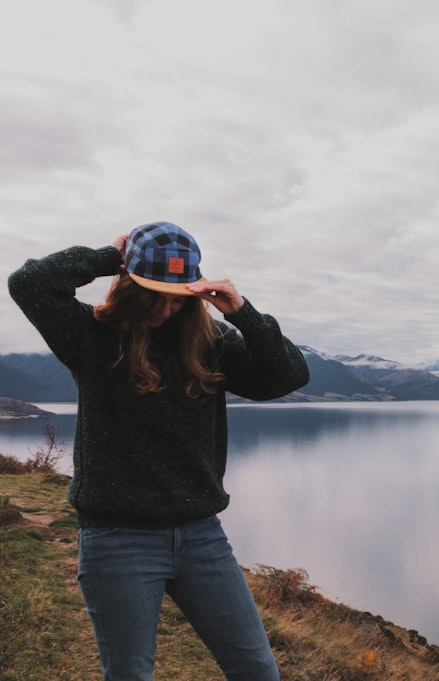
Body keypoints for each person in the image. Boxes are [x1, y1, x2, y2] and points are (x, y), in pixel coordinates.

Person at [8, 221, 310, 681]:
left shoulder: (212, 345)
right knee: (129, 674)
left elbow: (288, 376)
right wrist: (110, 255)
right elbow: (27, 282)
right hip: (116, 538)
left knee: (257, 670)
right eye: (154, 294)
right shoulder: (89, 334)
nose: (166, 310)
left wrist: (243, 313)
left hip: (201, 536)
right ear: (130, 285)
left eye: (178, 298)